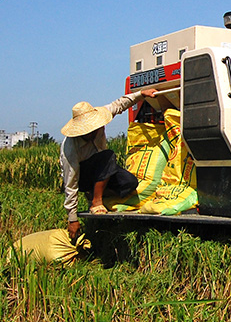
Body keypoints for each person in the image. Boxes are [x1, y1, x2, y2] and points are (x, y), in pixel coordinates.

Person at [59, 89, 157, 243]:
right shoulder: (70, 148)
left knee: (130, 183)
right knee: (107, 156)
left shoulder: (101, 115)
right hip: (84, 177)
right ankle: (96, 200)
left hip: (103, 170)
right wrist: (72, 218)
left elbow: (119, 105)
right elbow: (70, 183)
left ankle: (102, 196)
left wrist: (140, 95)